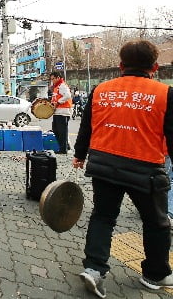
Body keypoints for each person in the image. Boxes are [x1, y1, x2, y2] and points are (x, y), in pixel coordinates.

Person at [72, 40, 173, 298]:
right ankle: (155, 274)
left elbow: (87, 127)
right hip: (146, 169)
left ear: (120, 65)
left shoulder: (101, 90)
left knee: (103, 217)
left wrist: (79, 155)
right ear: (154, 66)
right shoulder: (164, 94)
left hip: (103, 165)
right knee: (157, 223)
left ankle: (94, 269)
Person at [49, 71, 72, 154]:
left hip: (63, 111)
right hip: (57, 111)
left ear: (58, 77)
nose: (52, 81)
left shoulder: (62, 85)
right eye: (51, 79)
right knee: (56, 129)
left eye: (53, 79)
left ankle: (63, 149)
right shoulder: (57, 86)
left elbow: (68, 95)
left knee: (62, 131)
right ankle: (64, 146)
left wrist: (58, 101)